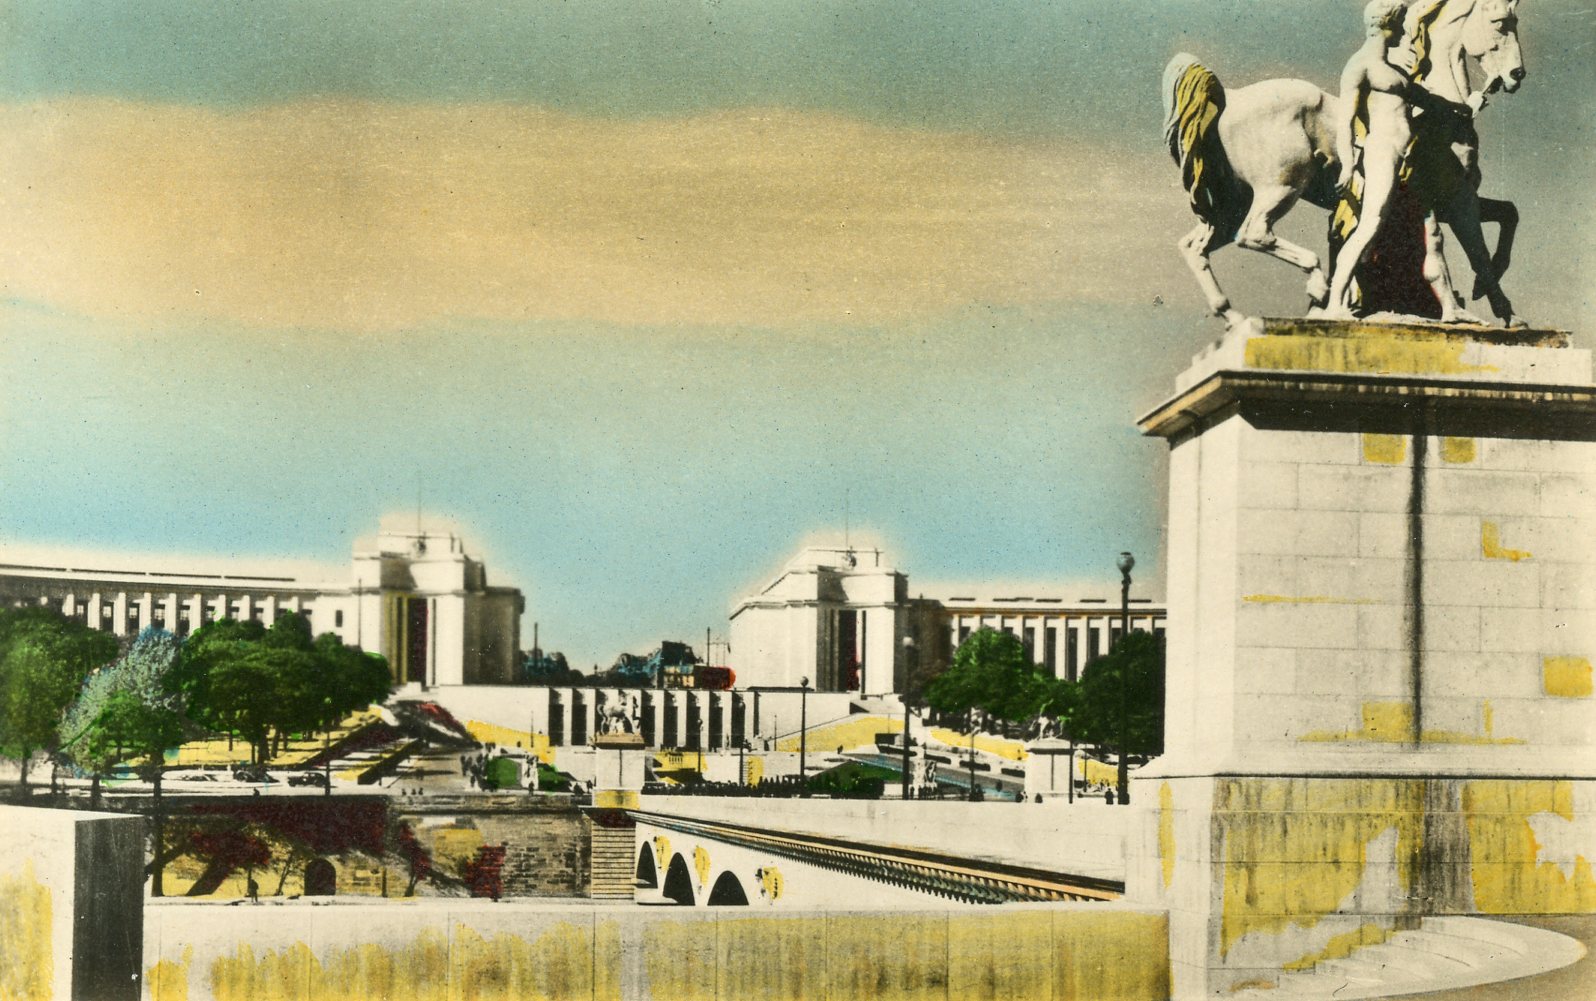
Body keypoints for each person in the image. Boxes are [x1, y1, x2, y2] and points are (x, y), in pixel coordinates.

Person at [1326, 0, 1486, 316]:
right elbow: (1345, 122)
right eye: (1399, 24)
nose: (1402, 31)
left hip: (1408, 157)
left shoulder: (1395, 71)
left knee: (1430, 231)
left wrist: (1470, 105)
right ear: (1385, 24)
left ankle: (1450, 309)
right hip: (1382, 152)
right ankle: (1334, 304)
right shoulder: (1360, 66)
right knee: (1370, 225)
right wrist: (1347, 165)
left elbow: (1433, 102)